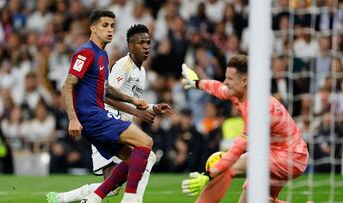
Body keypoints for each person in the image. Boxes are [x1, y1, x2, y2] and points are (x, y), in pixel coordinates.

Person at [47, 24, 173, 203]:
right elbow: (104, 94)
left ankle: (65, 198)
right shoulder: (123, 65)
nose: (146, 46)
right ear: (130, 46)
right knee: (146, 154)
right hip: (106, 122)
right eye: (141, 43)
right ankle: (133, 199)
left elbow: (133, 100)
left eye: (148, 43)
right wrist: (137, 113)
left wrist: (152, 108)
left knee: (116, 182)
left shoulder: (141, 71)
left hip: (118, 125)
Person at [181, 55, 308, 203]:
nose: (225, 82)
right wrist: (197, 83)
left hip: (290, 157)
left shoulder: (259, 108)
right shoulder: (239, 93)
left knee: (227, 167)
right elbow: (218, 88)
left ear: (244, 81)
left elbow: (237, 149)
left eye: (229, 79)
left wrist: (208, 175)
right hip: (274, 154)